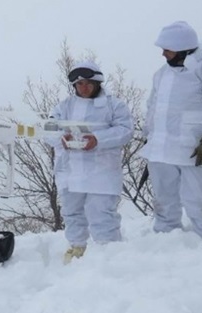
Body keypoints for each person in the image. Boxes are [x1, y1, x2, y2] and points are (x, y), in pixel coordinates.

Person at [139, 21, 202, 245]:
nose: (162, 54)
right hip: (161, 150)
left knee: (199, 199)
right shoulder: (161, 74)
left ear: (182, 47)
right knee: (163, 199)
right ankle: (166, 239)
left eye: (166, 49)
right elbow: (153, 109)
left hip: (195, 148)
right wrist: (148, 139)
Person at [47, 61, 133, 264]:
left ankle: (109, 253)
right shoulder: (64, 106)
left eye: (87, 83)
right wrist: (61, 138)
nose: (83, 88)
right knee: (72, 212)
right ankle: (77, 248)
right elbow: (49, 129)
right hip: (71, 170)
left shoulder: (114, 105)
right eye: (79, 84)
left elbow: (125, 130)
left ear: (97, 83)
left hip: (101, 170)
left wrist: (98, 139)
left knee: (101, 213)